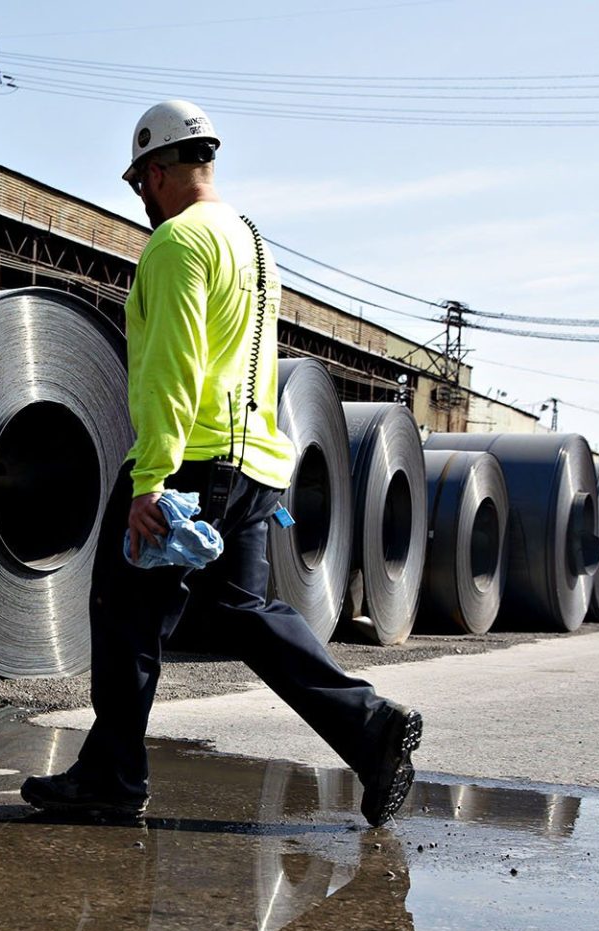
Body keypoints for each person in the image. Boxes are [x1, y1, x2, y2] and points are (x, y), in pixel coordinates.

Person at [21, 100, 423, 827]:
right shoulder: (249, 239)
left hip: (190, 464)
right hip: (256, 465)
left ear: (158, 170)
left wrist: (151, 483)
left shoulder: (178, 244)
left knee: (123, 614)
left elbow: (173, 368)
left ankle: (111, 777)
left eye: (140, 181)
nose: (140, 197)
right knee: (245, 613)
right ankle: (369, 727)